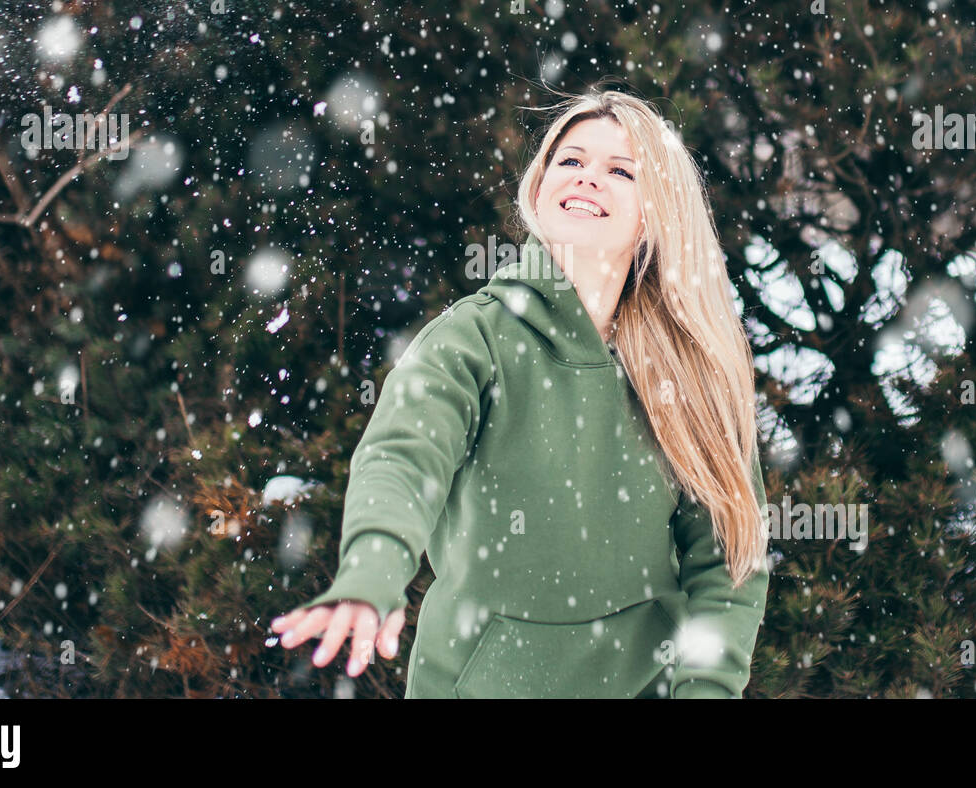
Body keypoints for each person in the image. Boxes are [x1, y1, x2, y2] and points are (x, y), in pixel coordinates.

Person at [270, 86, 769, 697]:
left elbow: (729, 559)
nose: (588, 178)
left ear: (657, 214)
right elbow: (403, 457)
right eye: (571, 160)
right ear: (539, 186)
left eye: (620, 170)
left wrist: (707, 689)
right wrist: (371, 573)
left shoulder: (689, 367)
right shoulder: (472, 338)